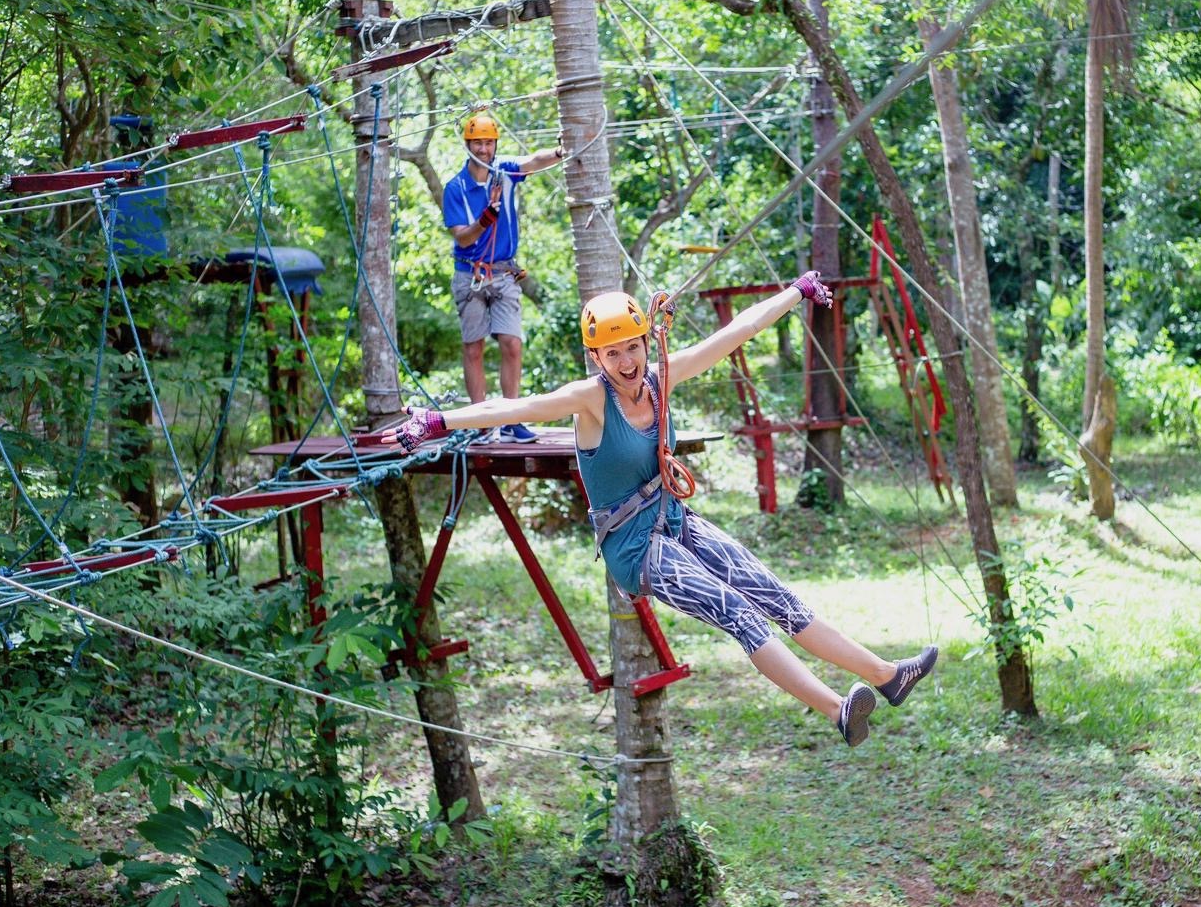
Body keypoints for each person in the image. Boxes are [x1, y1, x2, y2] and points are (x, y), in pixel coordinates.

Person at [384, 273, 938, 747]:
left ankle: (886, 676)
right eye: (613, 352)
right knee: (739, 612)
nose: (627, 361)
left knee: (775, 596)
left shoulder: (660, 378)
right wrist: (439, 423)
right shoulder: (591, 400)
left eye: (634, 347)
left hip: (676, 520)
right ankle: (838, 711)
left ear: (646, 342)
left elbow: (734, 333)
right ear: (596, 357)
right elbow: (516, 406)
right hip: (633, 547)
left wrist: (795, 292)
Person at [442, 113, 565, 443]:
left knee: (511, 344)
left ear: (495, 145)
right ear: (468, 146)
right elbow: (463, 238)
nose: (483, 149)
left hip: (504, 272)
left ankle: (512, 418)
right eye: (477, 143)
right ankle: (482, 423)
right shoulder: (455, 188)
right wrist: (486, 219)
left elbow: (532, 161)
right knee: (474, 348)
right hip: (471, 275)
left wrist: (558, 152)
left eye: (488, 142)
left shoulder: (505, 173)